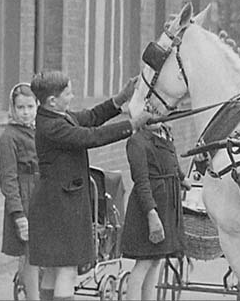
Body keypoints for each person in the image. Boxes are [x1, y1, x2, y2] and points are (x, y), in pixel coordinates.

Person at [28, 70, 151, 301]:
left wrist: (119, 100)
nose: (72, 96)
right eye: (68, 93)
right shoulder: (52, 126)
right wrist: (132, 125)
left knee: (54, 269)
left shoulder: (57, 116)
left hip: (55, 203)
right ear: (52, 100)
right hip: (60, 206)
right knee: (67, 269)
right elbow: (91, 136)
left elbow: (91, 117)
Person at [121, 122, 191, 301]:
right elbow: (141, 181)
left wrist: (182, 179)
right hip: (149, 206)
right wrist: (151, 213)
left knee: (155, 261)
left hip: (167, 204)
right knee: (144, 262)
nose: (155, 117)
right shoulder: (136, 142)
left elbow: (173, 162)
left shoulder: (165, 134)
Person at [0, 83, 40, 300]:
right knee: (31, 255)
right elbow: (8, 179)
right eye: (21, 107)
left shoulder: (39, 131)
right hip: (25, 198)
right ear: (13, 108)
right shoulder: (8, 137)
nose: (26, 112)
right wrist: (18, 214)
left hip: (43, 195)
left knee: (45, 252)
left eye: (30, 107)